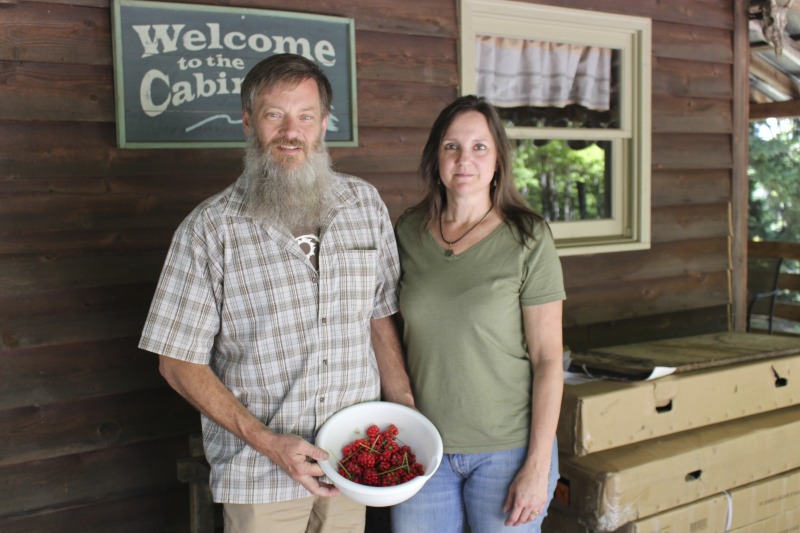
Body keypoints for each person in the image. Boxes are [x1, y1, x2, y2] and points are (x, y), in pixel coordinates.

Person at [138, 53, 414, 533]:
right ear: (248, 122)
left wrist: (404, 408)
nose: (292, 131)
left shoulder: (363, 205)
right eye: (274, 115)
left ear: (324, 123)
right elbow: (176, 362)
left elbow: (379, 313)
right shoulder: (210, 229)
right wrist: (268, 442)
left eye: (305, 116)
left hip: (353, 461)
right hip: (260, 473)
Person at [391, 95, 565, 532]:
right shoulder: (407, 232)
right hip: (423, 448)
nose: (464, 159)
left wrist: (538, 465)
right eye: (452, 146)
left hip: (507, 450)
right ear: (436, 156)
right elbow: (383, 325)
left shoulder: (529, 237)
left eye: (479, 147)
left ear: (498, 159)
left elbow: (548, 360)